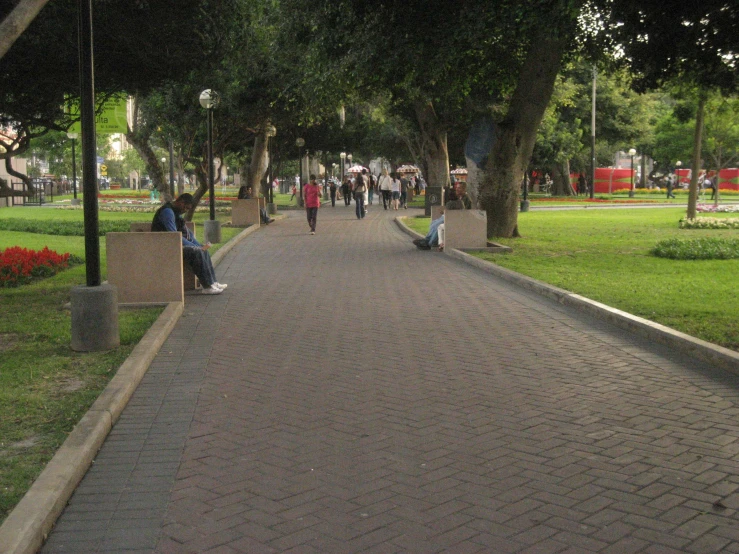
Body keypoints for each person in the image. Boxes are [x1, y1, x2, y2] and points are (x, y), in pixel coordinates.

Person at [151, 193, 227, 295]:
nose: (185, 211)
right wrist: (195, 247)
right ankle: (207, 286)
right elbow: (175, 235)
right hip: (165, 246)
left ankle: (213, 282)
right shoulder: (167, 212)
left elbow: (187, 234)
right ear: (181, 202)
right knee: (196, 252)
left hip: (174, 244)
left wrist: (200, 246)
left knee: (203, 251)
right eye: (186, 208)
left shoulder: (176, 214)